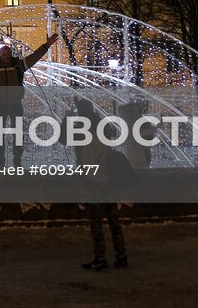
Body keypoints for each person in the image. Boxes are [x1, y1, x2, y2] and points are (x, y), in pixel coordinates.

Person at [75, 98, 128, 270]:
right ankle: (121, 256)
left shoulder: (88, 141)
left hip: (96, 187)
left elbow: (88, 167)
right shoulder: (104, 132)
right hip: (109, 185)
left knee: (96, 224)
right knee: (114, 222)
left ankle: (100, 258)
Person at [0, 33, 57, 167]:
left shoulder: (18, 65)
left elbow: (33, 58)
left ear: (11, 54)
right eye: (4, 55)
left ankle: (17, 162)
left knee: (18, 135)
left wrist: (46, 45)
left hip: (15, 105)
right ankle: (1, 163)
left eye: (8, 55)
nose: (6, 57)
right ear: (0, 55)